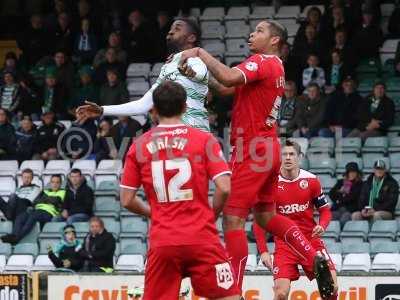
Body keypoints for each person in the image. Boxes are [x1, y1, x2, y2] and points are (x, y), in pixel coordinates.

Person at [178, 20, 334, 298]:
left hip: (252, 151)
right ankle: (313, 258)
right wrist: (197, 75)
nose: (252, 33)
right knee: (265, 216)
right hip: (269, 147)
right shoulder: (274, 68)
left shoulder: (262, 60)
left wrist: (200, 53)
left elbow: (226, 77)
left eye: (260, 31)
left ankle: (232, 292)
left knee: (233, 221)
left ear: (275, 40)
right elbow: (226, 88)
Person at [120, 81, 240, 299]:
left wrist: (152, 212)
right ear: (185, 107)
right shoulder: (205, 140)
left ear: (153, 110)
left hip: (163, 240)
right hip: (202, 237)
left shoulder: (138, 146)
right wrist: (211, 215)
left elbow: (127, 200)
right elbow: (224, 187)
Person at [77, 18, 211, 132]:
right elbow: (143, 104)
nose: (170, 31)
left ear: (191, 37)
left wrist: (193, 74)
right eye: (170, 28)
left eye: (177, 28)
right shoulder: (168, 67)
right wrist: (102, 110)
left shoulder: (197, 60)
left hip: (197, 133)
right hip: (177, 137)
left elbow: (200, 74)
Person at [253, 140, 338, 300]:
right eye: (284, 154)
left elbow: (325, 210)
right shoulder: (270, 184)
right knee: (280, 293)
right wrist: (263, 250)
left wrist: (322, 225)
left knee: (331, 289)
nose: (288, 158)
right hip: (285, 244)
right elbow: (260, 220)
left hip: (310, 240)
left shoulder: (311, 181)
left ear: (299, 157)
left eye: (292, 154)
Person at [1, 174, 65, 245]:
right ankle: (13, 235)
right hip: (37, 210)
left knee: (33, 216)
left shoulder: (63, 192)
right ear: (50, 183)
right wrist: (48, 199)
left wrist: (44, 199)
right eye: (53, 182)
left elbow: (56, 201)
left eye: (57, 182)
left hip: (49, 213)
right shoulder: (45, 191)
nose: (55, 184)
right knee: (21, 216)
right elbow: (36, 201)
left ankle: (17, 238)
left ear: (60, 183)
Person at [329, 162, 363, 227]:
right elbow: (331, 194)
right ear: (347, 173)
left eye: (354, 172)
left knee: (344, 219)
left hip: (351, 209)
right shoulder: (341, 182)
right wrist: (340, 193)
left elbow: (352, 197)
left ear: (357, 173)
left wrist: (339, 198)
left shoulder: (360, 184)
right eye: (350, 172)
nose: (352, 174)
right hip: (338, 208)